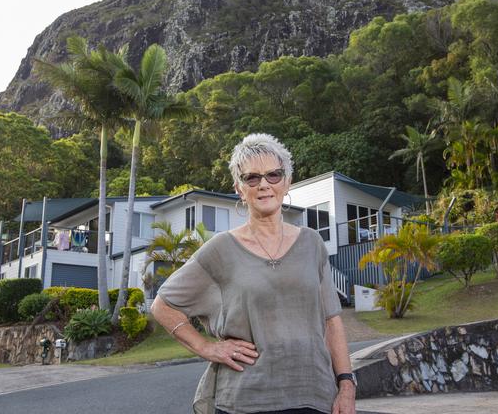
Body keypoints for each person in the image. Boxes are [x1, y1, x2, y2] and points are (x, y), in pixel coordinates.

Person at [151, 133, 356, 414]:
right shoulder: (220, 249)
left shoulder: (312, 244)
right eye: (252, 178)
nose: (263, 185)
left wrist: (346, 385)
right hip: (245, 400)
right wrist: (208, 348)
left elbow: (332, 321)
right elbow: (162, 306)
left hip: (314, 396)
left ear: (287, 182)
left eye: (273, 175)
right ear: (239, 188)